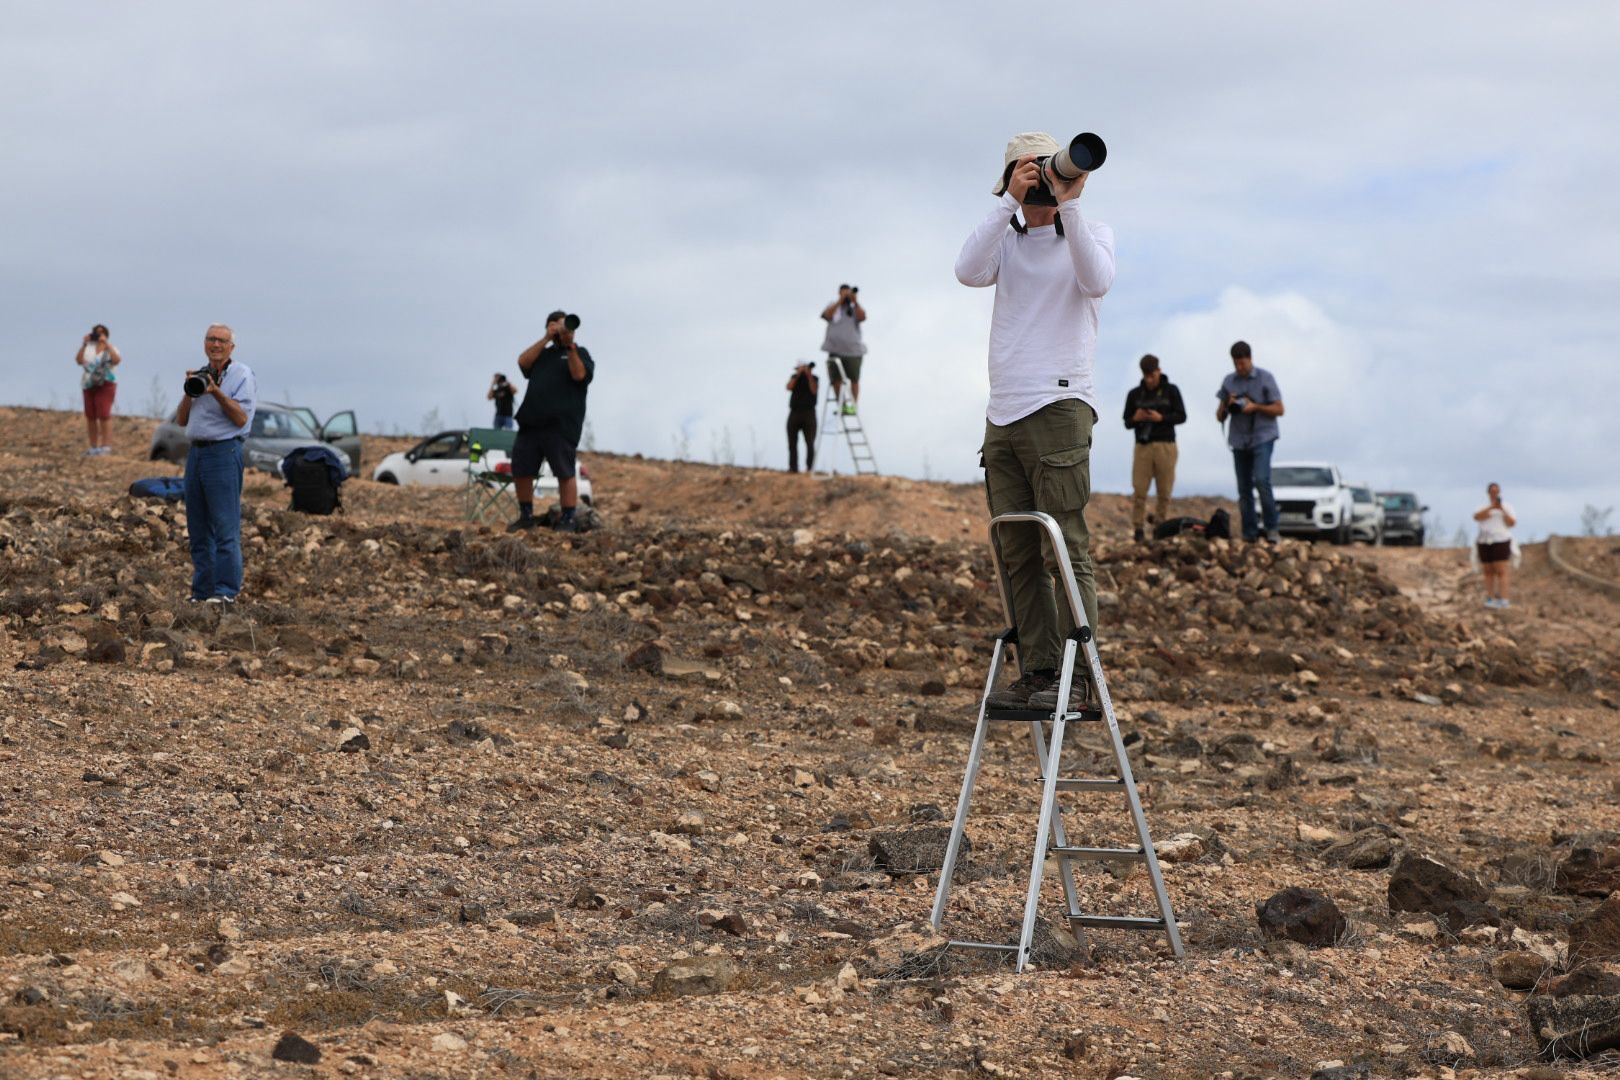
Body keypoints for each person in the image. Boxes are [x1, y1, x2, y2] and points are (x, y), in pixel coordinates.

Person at [956, 132, 1112, 712]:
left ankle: (1080, 678)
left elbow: (1096, 281)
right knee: (1016, 551)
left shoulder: (1091, 235)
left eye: (1047, 169)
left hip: (1060, 407)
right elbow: (966, 271)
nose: (1043, 180)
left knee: (1064, 548)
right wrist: (1006, 202)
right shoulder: (1006, 241)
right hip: (1004, 413)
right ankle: (1041, 672)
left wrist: (1069, 202)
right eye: (1030, 172)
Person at [176, 324, 257, 604]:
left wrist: (217, 392)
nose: (216, 344)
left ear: (231, 347)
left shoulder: (241, 375)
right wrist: (191, 389)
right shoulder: (200, 374)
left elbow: (241, 418)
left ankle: (225, 592)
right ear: (204, 343)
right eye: (211, 339)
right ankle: (202, 592)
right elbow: (181, 420)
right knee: (198, 528)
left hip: (223, 452)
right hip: (196, 453)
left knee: (225, 526)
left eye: (222, 340)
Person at [510, 310, 594, 533]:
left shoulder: (580, 352)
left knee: (565, 472)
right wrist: (547, 338)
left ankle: (568, 519)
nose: (563, 329)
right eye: (557, 325)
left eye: (566, 325)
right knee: (521, 470)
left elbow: (579, 376)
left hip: (561, 425)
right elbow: (523, 363)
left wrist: (570, 346)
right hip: (531, 422)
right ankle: (526, 516)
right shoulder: (542, 355)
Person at [1216, 341, 1285, 543]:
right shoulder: (1229, 382)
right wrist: (1227, 405)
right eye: (1236, 364)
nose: (1240, 368)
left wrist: (1255, 407)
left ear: (1250, 359)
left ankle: (1272, 529)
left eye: (1243, 363)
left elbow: (1280, 409)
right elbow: (1219, 416)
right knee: (1243, 488)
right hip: (1239, 439)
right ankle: (1250, 533)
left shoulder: (1265, 378)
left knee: (1262, 481)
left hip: (1263, 436)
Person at [1122, 353, 1186, 541]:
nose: (1149, 379)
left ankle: (1160, 527)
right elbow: (1126, 422)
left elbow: (1182, 416)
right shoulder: (1135, 394)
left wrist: (1162, 418)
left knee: (1164, 490)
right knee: (1139, 489)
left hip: (1166, 445)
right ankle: (1138, 529)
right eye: (1146, 375)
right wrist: (1137, 418)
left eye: (1152, 375)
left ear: (1159, 371)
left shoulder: (1171, 391)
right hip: (1143, 447)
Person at [820, 284, 866, 415]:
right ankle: (842, 405)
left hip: (853, 351)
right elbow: (826, 315)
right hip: (835, 350)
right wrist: (840, 300)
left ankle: (853, 406)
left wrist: (854, 301)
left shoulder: (854, 307)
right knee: (836, 379)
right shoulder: (833, 306)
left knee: (854, 379)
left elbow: (863, 317)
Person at [77, 324, 122, 456]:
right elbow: (79, 360)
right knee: (90, 415)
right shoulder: (88, 349)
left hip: (106, 384)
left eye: (101, 333)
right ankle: (93, 447)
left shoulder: (111, 348)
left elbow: (117, 360)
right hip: (88, 384)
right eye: (96, 333)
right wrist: (84, 344)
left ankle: (106, 446)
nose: (98, 335)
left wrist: (106, 344)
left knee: (104, 414)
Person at [1473, 482, 1517, 608]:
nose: (1494, 494)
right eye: (1492, 491)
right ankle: (1490, 598)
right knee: (1488, 571)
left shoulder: (1507, 507)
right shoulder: (1483, 506)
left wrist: (1501, 509)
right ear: (1488, 493)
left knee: (1501, 570)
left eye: (1496, 491)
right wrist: (1491, 507)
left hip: (1501, 540)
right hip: (1484, 540)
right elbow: (1477, 517)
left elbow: (1512, 522)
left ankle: (1504, 599)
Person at [786, 360, 819, 472]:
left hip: (809, 413)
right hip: (795, 412)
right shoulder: (794, 377)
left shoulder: (814, 378)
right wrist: (798, 374)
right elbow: (789, 387)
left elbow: (814, 390)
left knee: (810, 442)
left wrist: (808, 374)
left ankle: (810, 468)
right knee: (792, 443)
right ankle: (793, 468)